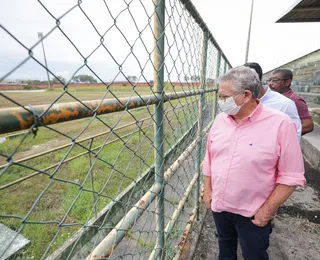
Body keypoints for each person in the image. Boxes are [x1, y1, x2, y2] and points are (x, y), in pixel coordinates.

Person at [203, 66, 305, 260]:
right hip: (220, 208)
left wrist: (266, 212)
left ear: (246, 95)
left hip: (252, 213)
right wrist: (208, 191)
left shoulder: (281, 124)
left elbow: (291, 176)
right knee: (225, 249)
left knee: (254, 255)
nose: (220, 102)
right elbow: (209, 159)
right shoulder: (220, 121)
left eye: (224, 97)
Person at [244, 62, 301, 141]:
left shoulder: (285, 104)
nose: (271, 83)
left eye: (275, 80)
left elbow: (294, 136)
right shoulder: (239, 101)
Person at [268, 68, 314, 135]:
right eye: (270, 80)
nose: (270, 83)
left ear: (287, 82)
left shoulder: (295, 100)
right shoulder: (271, 97)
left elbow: (308, 126)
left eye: (275, 80)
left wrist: (281, 134)